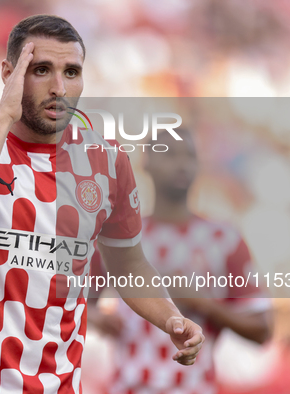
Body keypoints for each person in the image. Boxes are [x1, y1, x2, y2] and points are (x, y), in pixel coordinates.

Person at [0, 15, 204, 394]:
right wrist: (4, 116)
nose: (58, 87)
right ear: (9, 73)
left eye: (71, 72)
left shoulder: (106, 161)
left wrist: (171, 319)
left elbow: (128, 263)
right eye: (41, 70)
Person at [89, 129, 273, 394]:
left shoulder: (224, 239)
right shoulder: (118, 236)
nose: (181, 164)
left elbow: (262, 329)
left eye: (189, 156)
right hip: (129, 387)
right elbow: (79, 304)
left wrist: (204, 305)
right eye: (170, 154)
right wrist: (98, 318)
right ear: (146, 161)